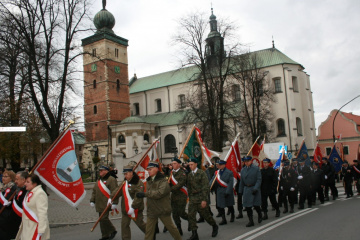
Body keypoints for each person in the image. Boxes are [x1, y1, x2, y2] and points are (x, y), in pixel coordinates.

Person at [136, 161, 182, 240]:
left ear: (156, 169)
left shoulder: (163, 181)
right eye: (148, 169)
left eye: (150, 169)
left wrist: (145, 194)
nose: (148, 171)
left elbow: (159, 193)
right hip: (152, 210)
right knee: (149, 232)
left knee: (172, 229)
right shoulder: (149, 180)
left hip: (162, 209)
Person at [187, 158, 218, 240]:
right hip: (193, 198)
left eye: (192, 164)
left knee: (206, 215)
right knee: (191, 215)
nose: (190, 166)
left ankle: (214, 225)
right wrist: (190, 197)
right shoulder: (190, 175)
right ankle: (194, 234)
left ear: (196, 164)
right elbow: (189, 187)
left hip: (201, 198)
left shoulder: (201, 173)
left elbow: (205, 187)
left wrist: (204, 200)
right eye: (189, 165)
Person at [112, 165, 146, 240]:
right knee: (124, 225)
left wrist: (133, 207)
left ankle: (150, 233)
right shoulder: (124, 182)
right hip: (125, 209)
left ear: (131, 173)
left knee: (141, 225)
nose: (125, 176)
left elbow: (138, 196)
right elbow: (117, 191)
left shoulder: (138, 183)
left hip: (136, 209)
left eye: (126, 174)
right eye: (124, 174)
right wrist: (111, 198)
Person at [15, 173, 50, 240]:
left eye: (28, 182)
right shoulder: (29, 192)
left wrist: (41, 230)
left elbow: (42, 213)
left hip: (35, 229)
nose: (25, 184)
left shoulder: (40, 193)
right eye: (25, 182)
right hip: (27, 228)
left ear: (34, 184)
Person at [90, 165, 118, 240]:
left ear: (106, 171)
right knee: (101, 220)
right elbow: (94, 191)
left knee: (104, 218)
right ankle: (105, 235)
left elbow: (115, 191)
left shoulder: (111, 179)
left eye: (102, 170)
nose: (100, 172)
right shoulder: (99, 180)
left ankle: (113, 230)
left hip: (107, 202)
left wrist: (114, 202)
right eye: (100, 171)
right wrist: (92, 200)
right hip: (99, 203)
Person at [0, 171, 28, 239]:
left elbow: (7, 202)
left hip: (9, 218)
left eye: (6, 176)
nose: (3, 178)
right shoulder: (3, 188)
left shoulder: (13, 188)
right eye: (3, 176)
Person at [239, 156, 262, 227]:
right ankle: (251, 221)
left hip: (254, 188)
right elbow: (242, 181)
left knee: (256, 205)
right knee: (248, 207)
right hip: (246, 189)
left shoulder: (256, 169)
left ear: (251, 161)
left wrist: (256, 188)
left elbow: (259, 179)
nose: (246, 163)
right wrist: (240, 190)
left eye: (248, 161)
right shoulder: (243, 170)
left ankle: (259, 214)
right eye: (245, 162)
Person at [209, 159, 235, 225]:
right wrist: (209, 186)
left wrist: (228, 191)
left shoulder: (229, 172)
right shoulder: (216, 173)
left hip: (227, 190)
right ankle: (224, 219)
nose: (219, 166)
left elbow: (230, 183)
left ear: (224, 165)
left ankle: (232, 215)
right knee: (220, 206)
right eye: (218, 165)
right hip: (219, 191)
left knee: (229, 205)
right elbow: (212, 180)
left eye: (220, 165)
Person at [169, 157, 189, 235]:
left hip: (181, 195)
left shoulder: (182, 173)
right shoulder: (171, 173)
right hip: (174, 196)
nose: (173, 165)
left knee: (181, 212)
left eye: (174, 163)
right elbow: (169, 182)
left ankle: (190, 220)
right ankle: (179, 228)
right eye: (172, 163)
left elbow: (179, 185)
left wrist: (169, 189)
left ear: (178, 164)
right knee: (175, 214)